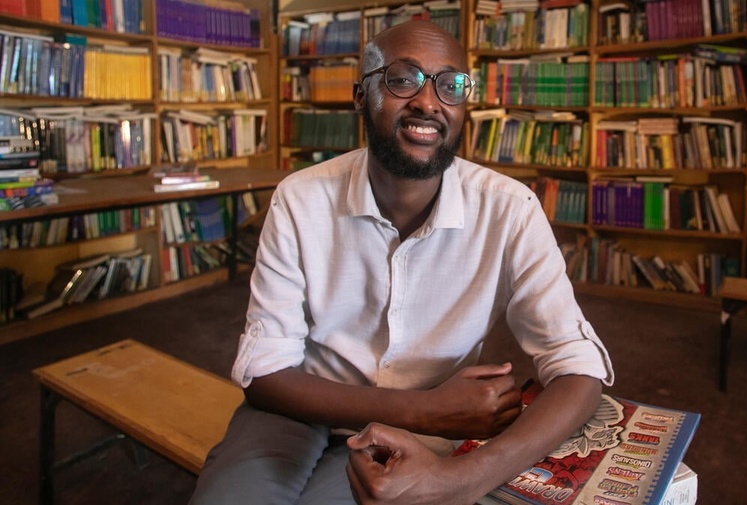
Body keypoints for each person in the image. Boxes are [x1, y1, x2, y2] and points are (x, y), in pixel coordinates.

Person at [190, 20, 614, 505]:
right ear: (360, 96)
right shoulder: (300, 198)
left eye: (450, 85)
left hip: (428, 436)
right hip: (299, 406)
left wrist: (466, 478)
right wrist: (427, 410)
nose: (428, 102)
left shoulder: (509, 209)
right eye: (402, 79)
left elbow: (579, 369)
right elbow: (266, 375)